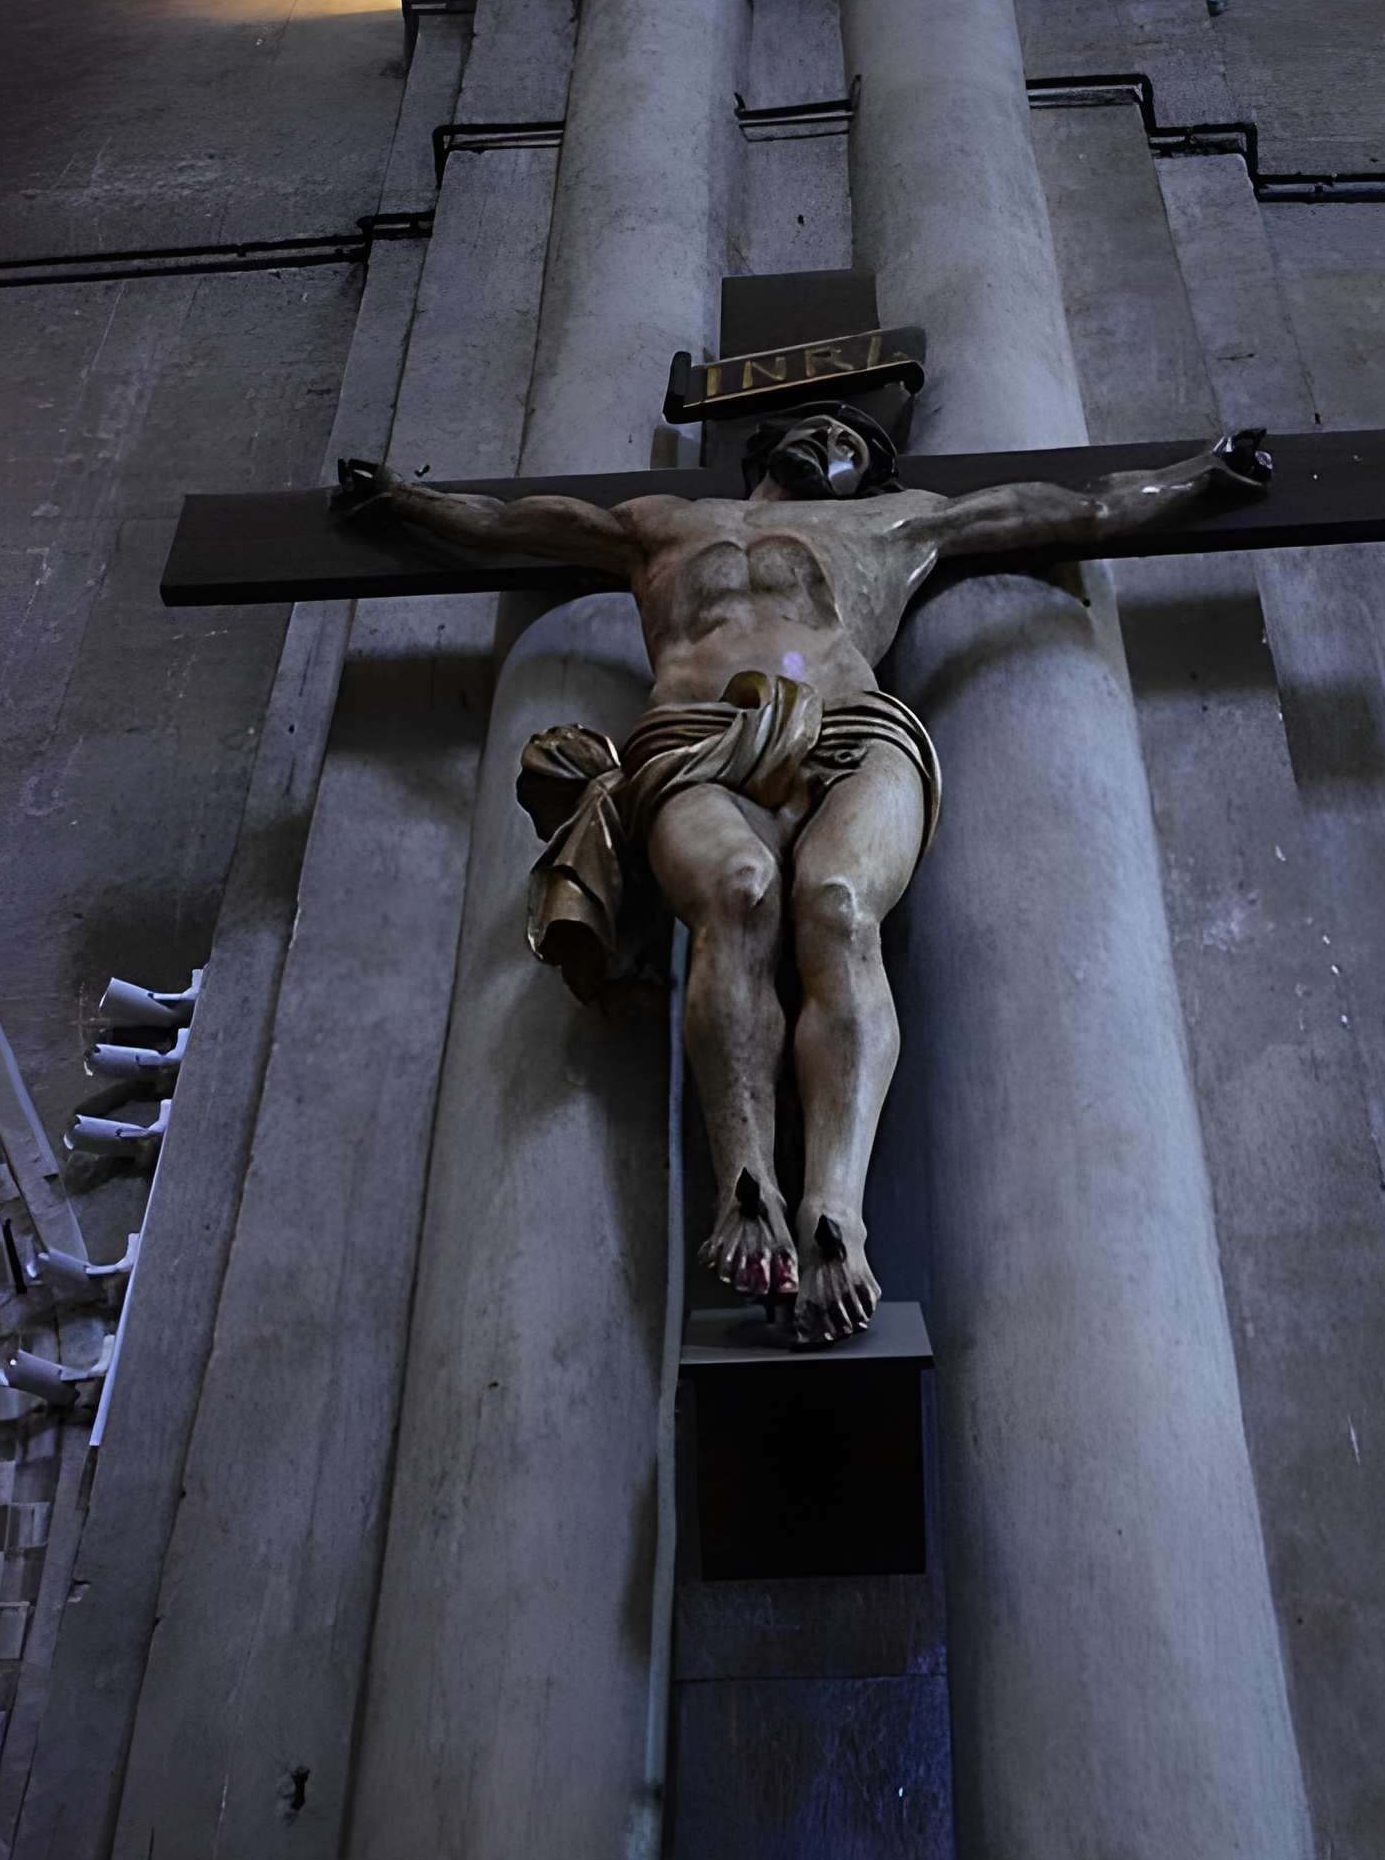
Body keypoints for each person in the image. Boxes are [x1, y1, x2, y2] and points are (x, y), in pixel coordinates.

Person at [337, 409, 1269, 1342]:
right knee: (738, 893)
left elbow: (1074, 510)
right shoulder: (659, 521)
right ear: (766, 446)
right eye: (820, 427)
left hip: (852, 731)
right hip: (694, 740)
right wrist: (407, 499)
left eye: (853, 442)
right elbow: (514, 523)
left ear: (866, 472)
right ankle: (748, 1186)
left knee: (836, 903)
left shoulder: (896, 523)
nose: (832, 440)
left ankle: (836, 1209)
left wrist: (1200, 475)